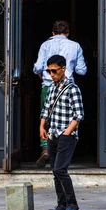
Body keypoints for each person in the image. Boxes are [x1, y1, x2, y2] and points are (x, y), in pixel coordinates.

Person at [33, 20, 87, 167]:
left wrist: (41, 73)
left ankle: (46, 149)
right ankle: (63, 152)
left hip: (47, 85)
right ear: (68, 33)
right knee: (69, 116)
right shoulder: (75, 46)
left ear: (52, 33)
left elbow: (38, 67)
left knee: (47, 115)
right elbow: (82, 70)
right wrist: (69, 67)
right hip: (67, 85)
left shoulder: (45, 45)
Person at [40, 54, 84, 210]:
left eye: (54, 71)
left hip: (67, 135)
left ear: (63, 68)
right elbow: (46, 109)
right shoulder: (51, 87)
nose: (51, 74)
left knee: (60, 169)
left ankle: (72, 203)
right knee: (54, 170)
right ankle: (61, 203)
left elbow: (79, 115)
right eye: (49, 71)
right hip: (52, 134)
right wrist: (42, 126)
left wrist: (67, 131)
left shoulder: (73, 89)